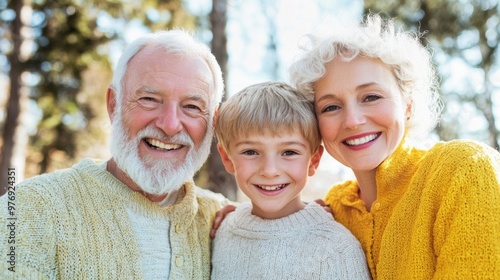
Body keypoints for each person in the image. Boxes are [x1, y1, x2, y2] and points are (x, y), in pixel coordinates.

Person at [0, 30, 229, 279]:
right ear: (113, 105)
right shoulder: (27, 209)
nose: (170, 125)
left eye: (192, 107)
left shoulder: (224, 219)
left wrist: (254, 220)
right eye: (149, 99)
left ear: (213, 120)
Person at [288, 14, 500, 279]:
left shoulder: (465, 169)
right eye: (331, 107)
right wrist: (241, 219)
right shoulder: (333, 208)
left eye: (371, 97)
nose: (353, 121)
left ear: (408, 105)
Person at [210, 81, 371, 279]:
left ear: (313, 160)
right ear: (227, 159)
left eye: (289, 152)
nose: (270, 171)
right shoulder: (222, 230)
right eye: (250, 152)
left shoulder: (336, 249)